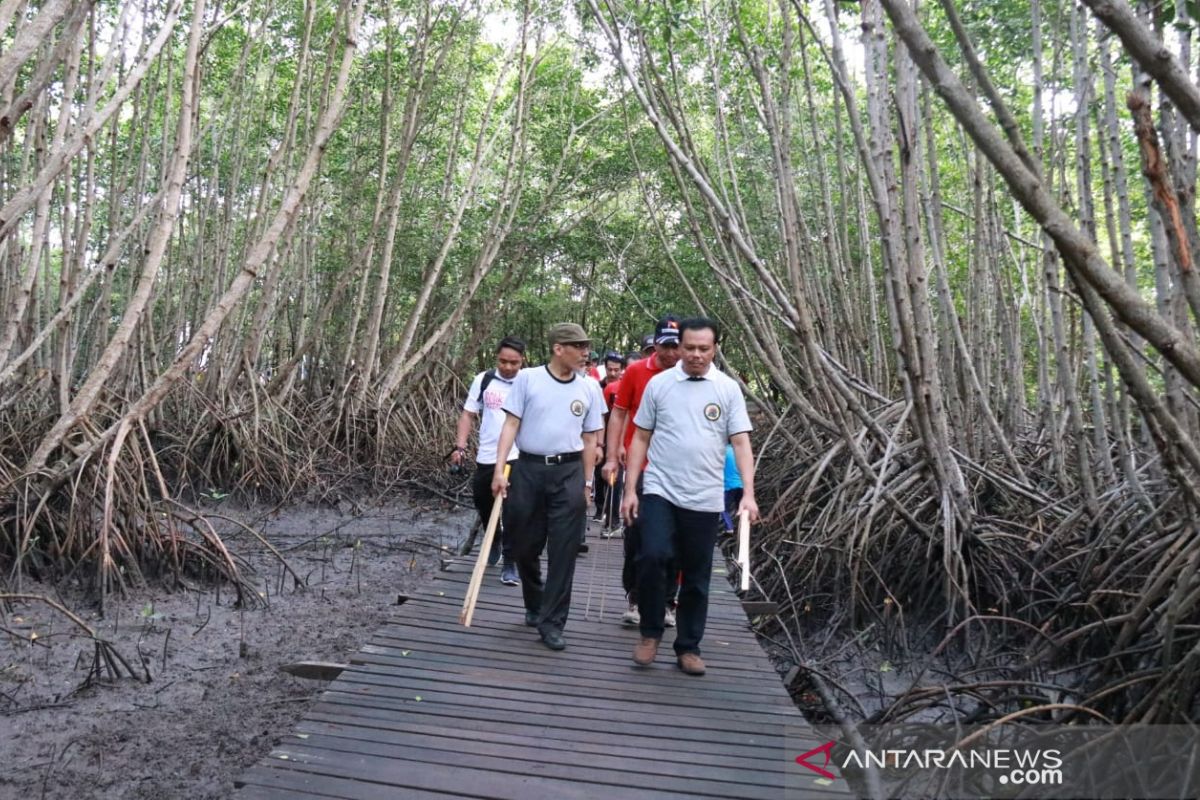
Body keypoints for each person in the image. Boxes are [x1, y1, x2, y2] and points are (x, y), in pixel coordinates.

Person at [622, 317, 759, 676]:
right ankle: (650, 632)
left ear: (714, 349)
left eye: (704, 348)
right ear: (678, 347)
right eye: (690, 348)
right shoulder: (660, 385)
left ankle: (688, 646)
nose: (696, 355)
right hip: (660, 488)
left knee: (696, 575)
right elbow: (640, 437)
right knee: (652, 556)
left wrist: (748, 493)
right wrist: (629, 489)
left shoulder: (728, 389)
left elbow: (741, 442)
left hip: (705, 496)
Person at [492, 323, 604, 651]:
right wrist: (500, 470)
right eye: (578, 346)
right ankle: (534, 601)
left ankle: (553, 622)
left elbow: (589, 439)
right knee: (524, 547)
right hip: (528, 469)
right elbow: (511, 424)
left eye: (586, 346)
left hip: (568, 472)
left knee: (564, 551)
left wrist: (587, 485)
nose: (585, 353)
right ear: (559, 349)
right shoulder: (528, 379)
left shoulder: (589, 389)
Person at [602, 315, 682, 628]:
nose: (671, 353)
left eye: (676, 346)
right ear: (655, 345)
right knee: (636, 535)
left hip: (678, 470)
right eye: (665, 346)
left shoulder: (690, 373)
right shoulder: (636, 371)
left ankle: (667, 602)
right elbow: (619, 413)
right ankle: (635, 597)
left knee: (674, 541)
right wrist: (612, 453)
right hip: (641, 465)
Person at [452, 336, 526, 585]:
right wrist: (460, 447)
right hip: (487, 455)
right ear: (497, 358)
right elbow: (468, 414)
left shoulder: (528, 382)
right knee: (482, 502)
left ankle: (510, 563)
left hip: (518, 455)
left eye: (514, 363)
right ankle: (494, 538)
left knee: (514, 510)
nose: (508, 367)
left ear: (522, 361)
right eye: (503, 361)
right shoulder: (483, 380)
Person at [594, 351, 626, 526]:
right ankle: (599, 509)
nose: (612, 373)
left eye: (616, 370)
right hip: (601, 438)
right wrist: (599, 442)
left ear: (622, 370)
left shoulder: (623, 387)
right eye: (609, 369)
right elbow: (600, 415)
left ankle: (612, 519)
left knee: (615, 479)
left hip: (620, 439)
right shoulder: (599, 387)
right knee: (599, 476)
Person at [721, 442, 743, 535]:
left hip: (729, 486)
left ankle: (729, 528)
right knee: (740, 508)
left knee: (722, 507)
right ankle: (743, 528)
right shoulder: (740, 451)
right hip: (741, 485)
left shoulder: (723, 451)